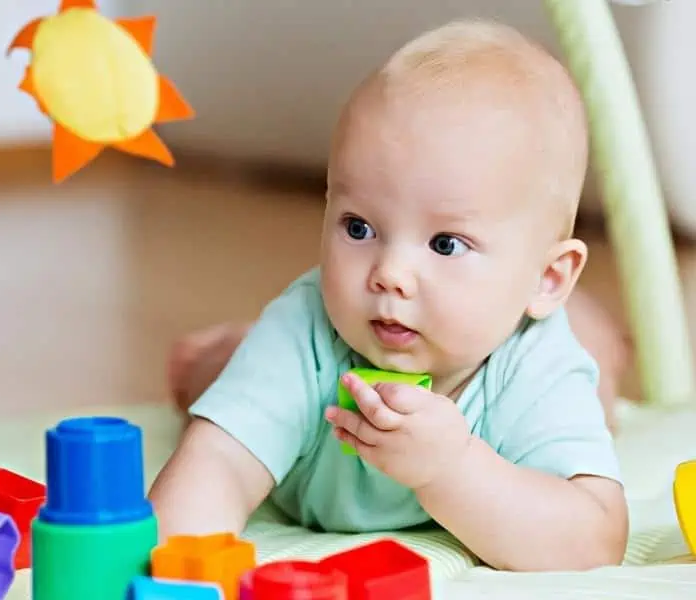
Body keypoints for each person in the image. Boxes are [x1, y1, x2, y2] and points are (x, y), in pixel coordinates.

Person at [148, 19, 630, 572]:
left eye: (446, 244)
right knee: (219, 377)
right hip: (283, 373)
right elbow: (220, 464)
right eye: (358, 227)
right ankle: (217, 353)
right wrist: (172, 567)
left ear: (547, 279)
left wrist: (451, 468)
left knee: (594, 380)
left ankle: (596, 335)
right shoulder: (306, 330)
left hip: (537, 348)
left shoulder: (535, 362)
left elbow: (594, 540)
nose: (390, 273)